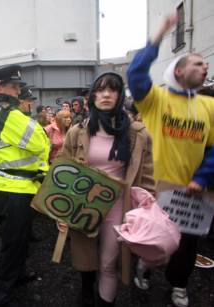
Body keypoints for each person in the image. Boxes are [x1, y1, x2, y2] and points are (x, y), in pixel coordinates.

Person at [127, 13, 214, 307]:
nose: (205, 67)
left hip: (192, 192)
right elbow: (136, 74)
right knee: (154, 239)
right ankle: (145, 268)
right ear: (178, 72)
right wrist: (158, 35)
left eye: (205, 63)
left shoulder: (210, 106)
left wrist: (202, 178)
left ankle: (178, 284)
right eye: (198, 63)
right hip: (157, 188)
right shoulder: (157, 100)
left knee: (187, 246)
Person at [60, 72, 154, 307]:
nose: (106, 94)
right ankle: (85, 290)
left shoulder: (137, 133)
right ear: (92, 96)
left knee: (108, 263)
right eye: (100, 89)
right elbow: (62, 169)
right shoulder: (77, 131)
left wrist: (148, 209)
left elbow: (149, 176)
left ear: (120, 95)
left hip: (119, 206)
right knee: (85, 258)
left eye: (112, 89)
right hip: (83, 204)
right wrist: (60, 210)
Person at [0, 64, 50, 306]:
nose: (18, 91)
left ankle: (18, 275)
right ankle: (2, 294)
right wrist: (40, 135)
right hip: (13, 190)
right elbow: (40, 142)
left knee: (19, 240)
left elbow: (39, 140)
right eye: (14, 87)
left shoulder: (6, 113)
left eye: (18, 87)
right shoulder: (6, 114)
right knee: (13, 244)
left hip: (17, 188)